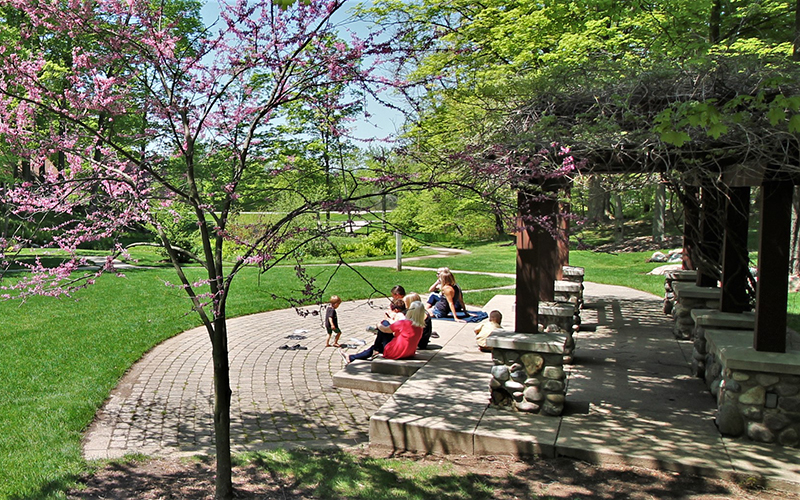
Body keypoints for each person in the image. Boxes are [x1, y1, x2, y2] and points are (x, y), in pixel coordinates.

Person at [346, 299, 411, 363]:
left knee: (384, 323)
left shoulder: (400, 318)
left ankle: (375, 348)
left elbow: (387, 329)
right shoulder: (408, 317)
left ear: (396, 310)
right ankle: (352, 357)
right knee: (375, 346)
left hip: (397, 349)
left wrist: (381, 323)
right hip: (405, 349)